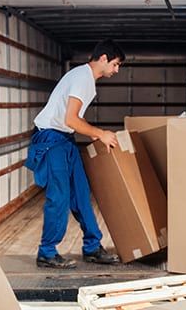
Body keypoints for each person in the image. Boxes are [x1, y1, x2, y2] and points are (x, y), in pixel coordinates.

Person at [24, 39, 124, 269]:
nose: (116, 70)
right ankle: (47, 252)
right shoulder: (82, 78)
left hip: (65, 138)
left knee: (80, 192)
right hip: (51, 138)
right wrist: (100, 133)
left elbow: (73, 120)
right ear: (103, 59)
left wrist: (92, 134)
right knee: (58, 196)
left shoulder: (85, 78)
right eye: (116, 64)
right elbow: (70, 119)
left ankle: (92, 247)